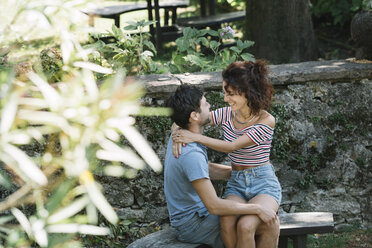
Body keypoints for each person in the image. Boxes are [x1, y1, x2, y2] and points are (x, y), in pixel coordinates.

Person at [172, 60, 282, 248]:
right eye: (225, 92)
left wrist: (194, 138)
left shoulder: (266, 120)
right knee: (226, 221)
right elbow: (190, 117)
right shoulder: (226, 114)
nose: (225, 99)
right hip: (236, 182)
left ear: (247, 92)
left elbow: (232, 146)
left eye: (230, 94)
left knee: (246, 226)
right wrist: (177, 133)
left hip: (263, 184)